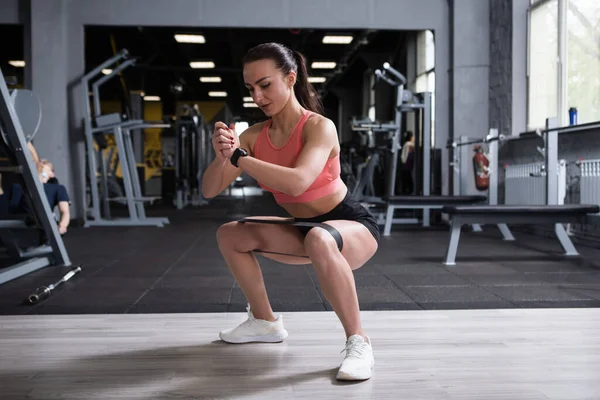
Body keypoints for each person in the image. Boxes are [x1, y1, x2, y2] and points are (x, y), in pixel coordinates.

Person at [202, 42, 380, 381]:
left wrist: (239, 156)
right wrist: (222, 154)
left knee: (319, 238)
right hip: (303, 227)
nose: (258, 96)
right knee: (230, 234)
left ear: (290, 78)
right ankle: (264, 321)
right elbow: (209, 189)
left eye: (265, 85)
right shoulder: (254, 136)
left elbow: (298, 183)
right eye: (251, 88)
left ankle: (359, 342)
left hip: (349, 224)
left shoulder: (319, 127)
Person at [9, 159, 71, 234]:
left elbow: (65, 211)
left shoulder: (58, 188)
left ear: (52, 174)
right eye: (40, 162)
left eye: (45, 163)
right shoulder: (17, 187)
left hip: (40, 224)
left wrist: (63, 225)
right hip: (16, 225)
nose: (42, 163)